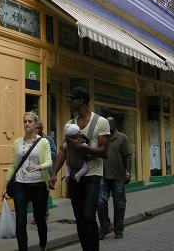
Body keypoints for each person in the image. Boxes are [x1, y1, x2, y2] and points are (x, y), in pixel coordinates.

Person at [49, 87, 110, 251]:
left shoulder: (101, 122)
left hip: (92, 175)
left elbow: (104, 152)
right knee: (79, 217)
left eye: (72, 99)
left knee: (89, 214)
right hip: (75, 176)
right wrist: (54, 173)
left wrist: (82, 147)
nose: (68, 101)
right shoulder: (70, 125)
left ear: (81, 101)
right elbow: (63, 150)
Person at [2, 111, 52, 251]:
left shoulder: (44, 142)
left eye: (30, 121)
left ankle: (43, 246)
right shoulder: (17, 142)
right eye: (25, 121)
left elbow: (49, 162)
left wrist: (38, 167)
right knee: (20, 222)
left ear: (36, 124)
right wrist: (5, 186)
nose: (27, 124)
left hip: (39, 186)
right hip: (20, 185)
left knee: (40, 220)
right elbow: (13, 164)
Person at [98, 117, 132, 240]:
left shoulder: (122, 138)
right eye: (106, 124)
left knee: (119, 204)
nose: (108, 126)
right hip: (103, 176)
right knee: (100, 201)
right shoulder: (101, 138)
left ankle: (118, 229)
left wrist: (128, 172)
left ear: (114, 124)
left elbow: (128, 156)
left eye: (110, 124)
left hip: (118, 176)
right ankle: (105, 227)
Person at [31, 120, 57, 224]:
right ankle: (36, 215)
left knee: (42, 193)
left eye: (38, 128)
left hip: (46, 170)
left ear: (42, 128)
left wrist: (42, 154)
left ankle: (43, 214)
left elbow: (54, 154)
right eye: (35, 128)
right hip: (34, 169)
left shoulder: (48, 139)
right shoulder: (30, 139)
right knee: (34, 193)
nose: (36, 130)